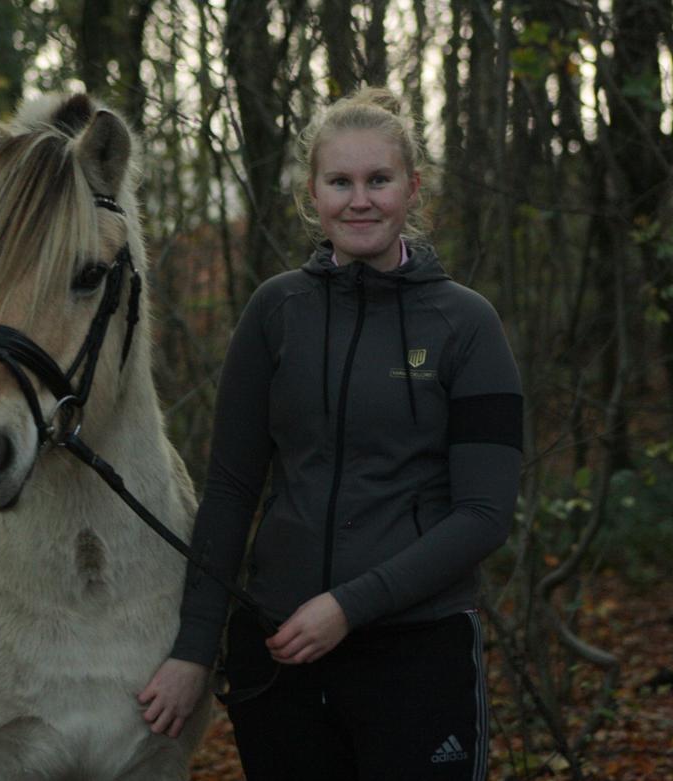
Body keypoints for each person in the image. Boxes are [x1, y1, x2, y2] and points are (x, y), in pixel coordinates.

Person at [137, 87, 522, 780]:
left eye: (379, 180)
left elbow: (485, 514)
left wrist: (348, 606)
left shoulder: (467, 325)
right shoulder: (275, 312)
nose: (360, 200)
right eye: (339, 182)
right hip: (279, 654)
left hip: (416, 652)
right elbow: (229, 489)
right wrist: (195, 647)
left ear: (412, 187)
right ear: (311, 193)